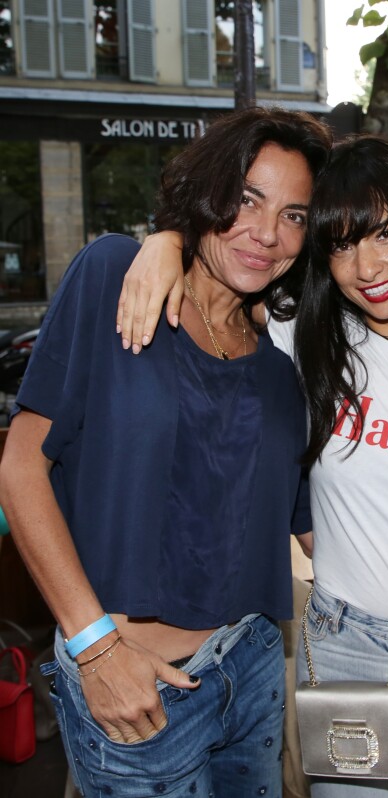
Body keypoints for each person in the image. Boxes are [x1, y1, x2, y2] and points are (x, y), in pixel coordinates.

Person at [112, 134, 388, 797]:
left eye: (384, 234)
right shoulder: (310, 340)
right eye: (342, 244)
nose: (366, 265)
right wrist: (165, 240)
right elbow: (233, 262)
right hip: (347, 650)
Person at [0, 106, 334, 798]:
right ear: (209, 191)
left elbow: (312, 526)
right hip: (136, 688)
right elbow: (20, 466)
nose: (268, 233)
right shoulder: (117, 275)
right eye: (247, 199)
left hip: (252, 668)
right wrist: (93, 649)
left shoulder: (278, 373)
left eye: (295, 215)